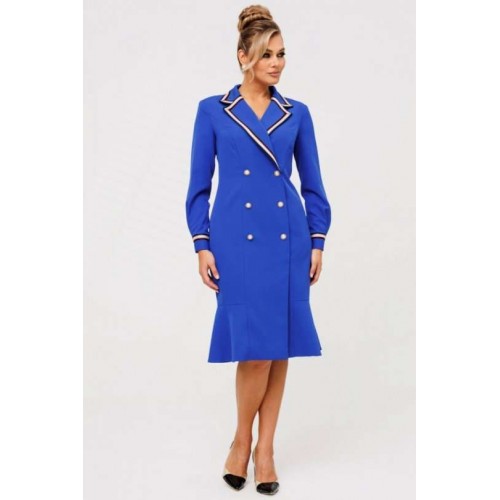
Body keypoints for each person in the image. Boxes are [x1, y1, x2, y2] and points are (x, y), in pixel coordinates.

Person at [185, 4, 332, 495]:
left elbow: (312, 185)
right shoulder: (213, 110)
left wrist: (317, 239)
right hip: (235, 242)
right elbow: (199, 186)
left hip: (286, 239)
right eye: (267, 54)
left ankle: (264, 449)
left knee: (277, 345)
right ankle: (241, 438)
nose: (277, 63)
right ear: (243, 56)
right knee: (255, 351)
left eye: (282, 53)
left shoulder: (297, 113)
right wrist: (202, 243)